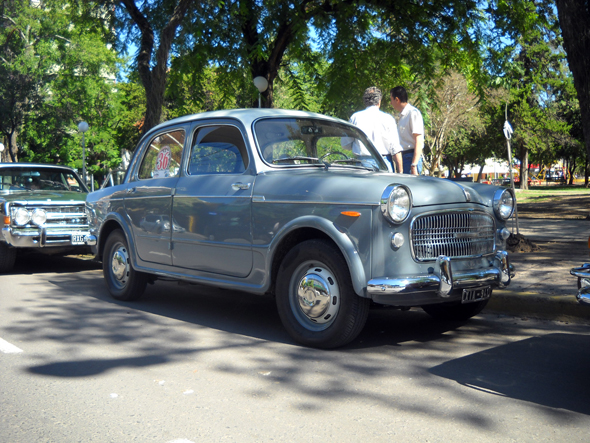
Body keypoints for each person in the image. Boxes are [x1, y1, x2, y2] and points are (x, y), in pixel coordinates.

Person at [349, 86, 403, 173]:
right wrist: (400, 172)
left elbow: (345, 144)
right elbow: (395, 149)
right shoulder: (388, 119)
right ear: (379, 101)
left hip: (362, 164)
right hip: (384, 163)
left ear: (365, 101)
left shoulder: (355, 117)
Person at [390, 86, 425, 175]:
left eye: (391, 100)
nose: (391, 103)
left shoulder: (412, 113)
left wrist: (414, 165)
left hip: (410, 158)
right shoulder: (402, 115)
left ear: (397, 99)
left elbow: (419, 140)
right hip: (404, 157)